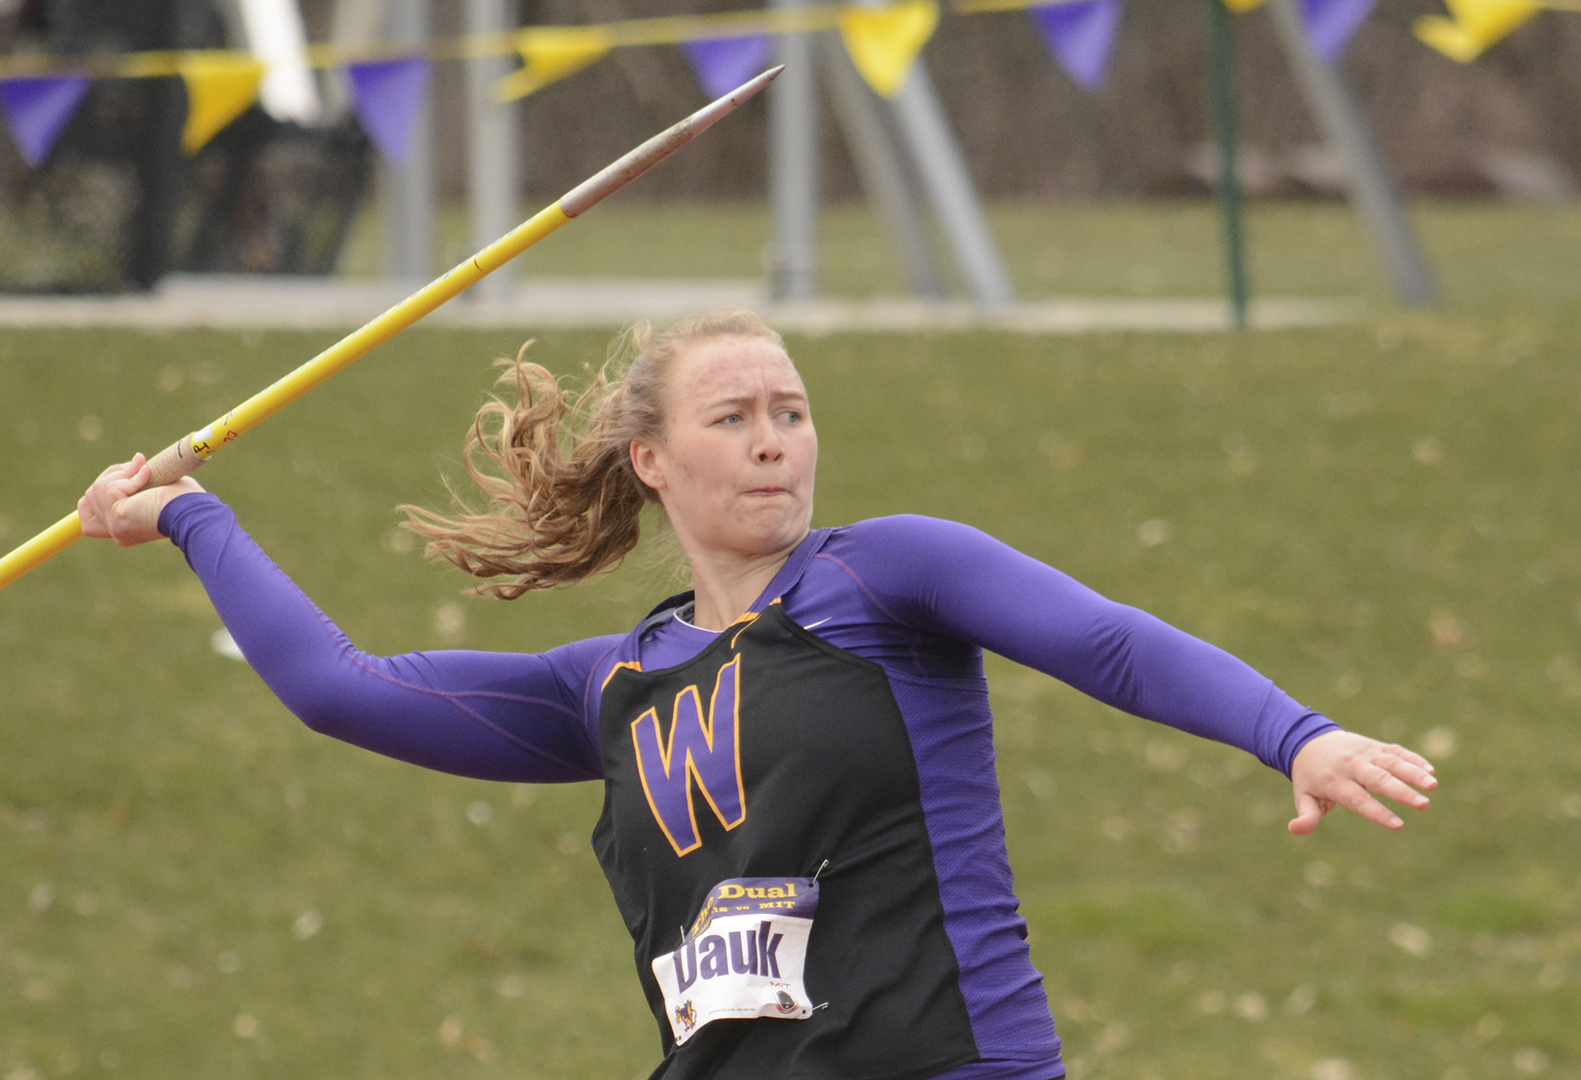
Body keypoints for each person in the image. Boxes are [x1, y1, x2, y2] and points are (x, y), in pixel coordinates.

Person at [79, 309, 1437, 1080]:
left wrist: (1295, 736)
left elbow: (1114, 646)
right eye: (734, 418)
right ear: (655, 462)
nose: (776, 439)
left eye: (790, 409)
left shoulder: (888, 578)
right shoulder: (607, 686)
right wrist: (193, 518)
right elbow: (339, 688)